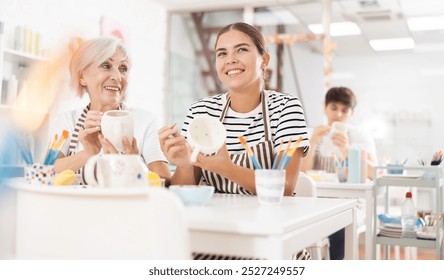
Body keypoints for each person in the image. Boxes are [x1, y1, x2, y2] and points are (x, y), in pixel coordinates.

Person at [159, 22, 310, 259]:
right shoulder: (201, 111)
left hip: (268, 238)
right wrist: (183, 164)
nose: (230, 59)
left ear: (264, 60)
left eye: (241, 50)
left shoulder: (286, 107)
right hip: (212, 236)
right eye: (222, 53)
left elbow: (286, 187)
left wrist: (226, 168)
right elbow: (186, 190)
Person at [50, 37, 170, 182]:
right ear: (82, 76)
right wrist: (87, 153)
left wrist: (132, 163)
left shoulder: (145, 121)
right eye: (106, 66)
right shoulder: (67, 121)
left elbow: (164, 181)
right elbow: (46, 172)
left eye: (123, 68)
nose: (117, 76)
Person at [301, 86, 377, 260]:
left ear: (352, 113)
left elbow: (374, 173)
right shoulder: (312, 133)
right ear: (325, 107)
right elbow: (303, 173)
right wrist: (312, 142)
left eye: (345, 110)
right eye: (334, 108)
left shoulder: (359, 135)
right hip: (318, 199)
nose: (339, 115)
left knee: (340, 223)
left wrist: (347, 151)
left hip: (351, 201)